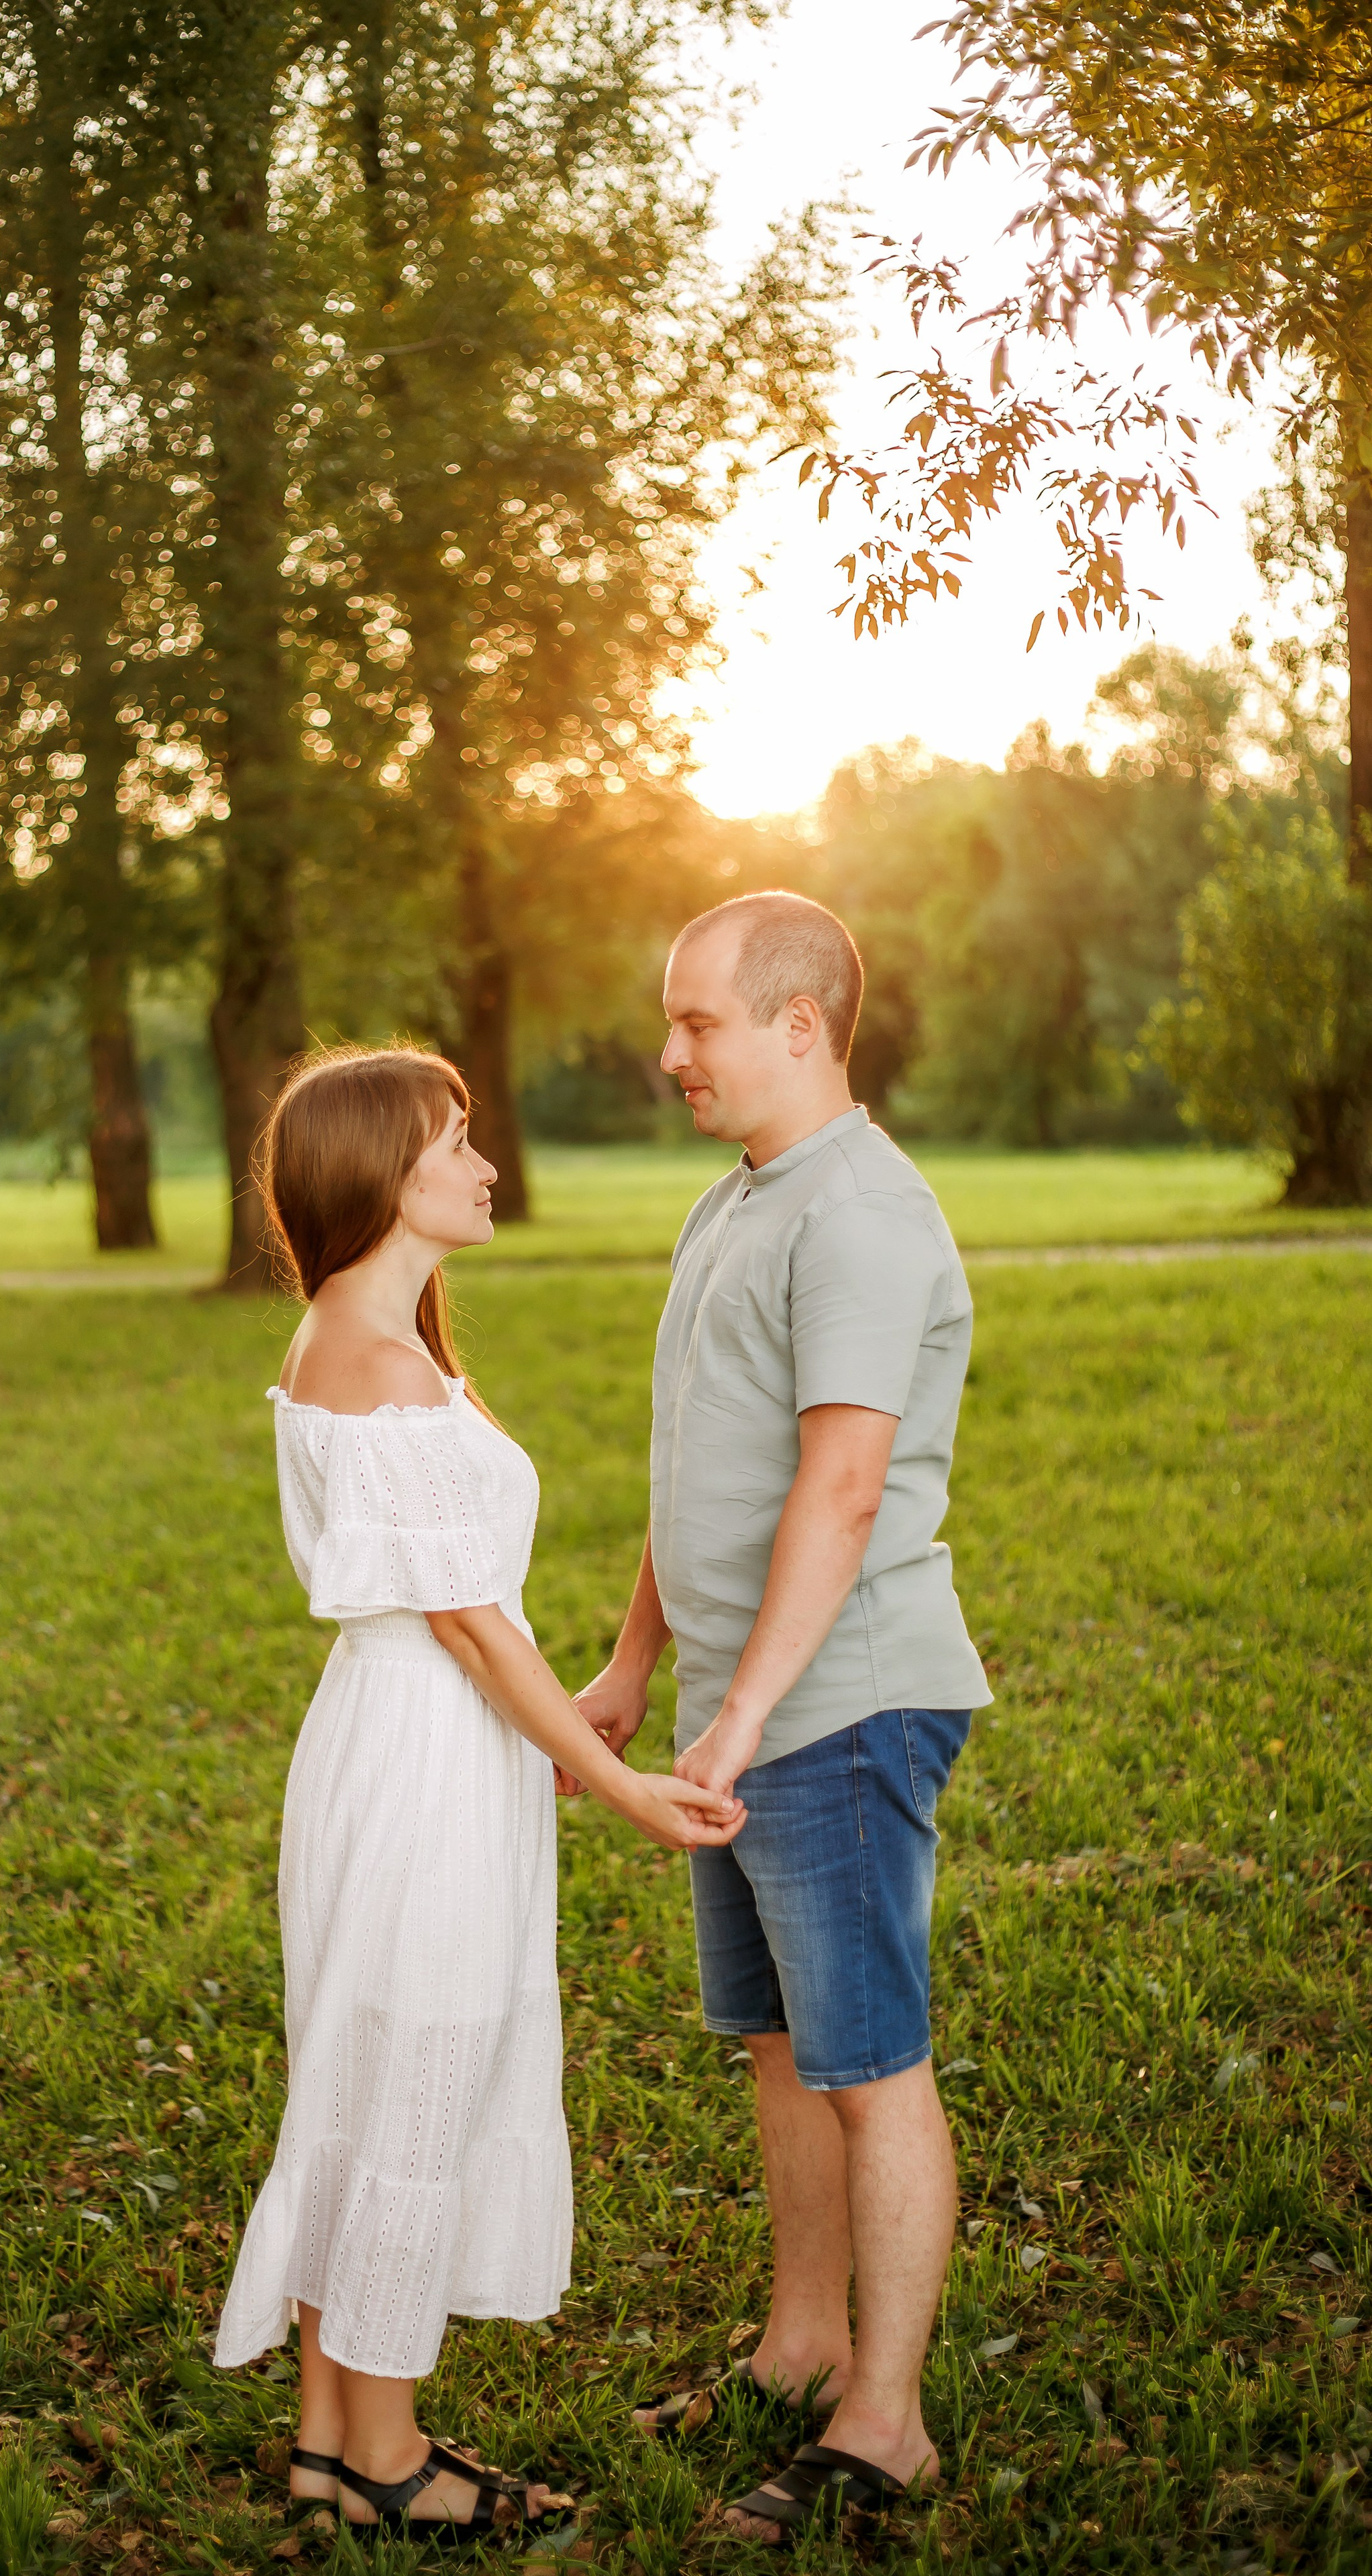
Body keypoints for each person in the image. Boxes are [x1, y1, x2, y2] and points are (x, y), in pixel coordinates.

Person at [213, 1044, 745, 2541]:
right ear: (387, 1177)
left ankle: (328, 2439)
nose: (485, 1163)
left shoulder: (362, 1335)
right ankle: (387, 2460)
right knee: (416, 2076)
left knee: (370, 2069)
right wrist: (619, 1783)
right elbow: (467, 1621)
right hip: (419, 1764)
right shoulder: (377, 1365)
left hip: (404, 1744)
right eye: (456, 1141)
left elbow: (456, 1617)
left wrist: (554, 1727)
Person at [576, 892, 991, 2538]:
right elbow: (705, 1472)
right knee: (775, 2050)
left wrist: (746, 1710)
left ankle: (884, 2427)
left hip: (837, 1703)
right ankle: (802, 2345)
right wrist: (631, 1663)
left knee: (868, 2062)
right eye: (670, 1021)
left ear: (800, 1025)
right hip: (733, 1707)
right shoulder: (734, 1202)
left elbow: (836, 1485)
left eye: (697, 1022)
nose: (668, 1051)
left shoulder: (863, 1218)